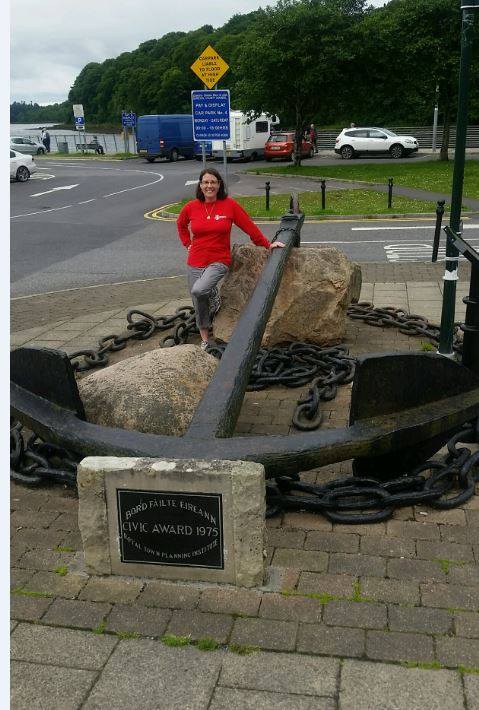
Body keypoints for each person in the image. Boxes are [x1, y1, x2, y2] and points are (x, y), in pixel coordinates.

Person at [177, 168, 285, 350]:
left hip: (218, 260)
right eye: (205, 182)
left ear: (219, 185)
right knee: (198, 301)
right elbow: (180, 225)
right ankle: (205, 337)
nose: (209, 186)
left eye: (213, 182)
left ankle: (215, 299)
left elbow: (248, 226)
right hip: (195, 260)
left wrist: (267, 244)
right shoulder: (191, 207)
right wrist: (187, 243)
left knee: (199, 290)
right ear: (200, 185)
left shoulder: (229, 205)